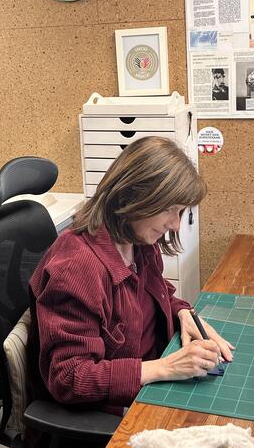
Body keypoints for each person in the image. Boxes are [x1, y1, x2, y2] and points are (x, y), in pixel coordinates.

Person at [28, 137, 233, 414]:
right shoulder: (77, 268)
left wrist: (183, 313)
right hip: (111, 411)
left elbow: (152, 292)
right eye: (170, 209)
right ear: (134, 197)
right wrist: (165, 368)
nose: (175, 224)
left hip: (150, 378)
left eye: (180, 211)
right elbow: (69, 378)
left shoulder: (137, 240)